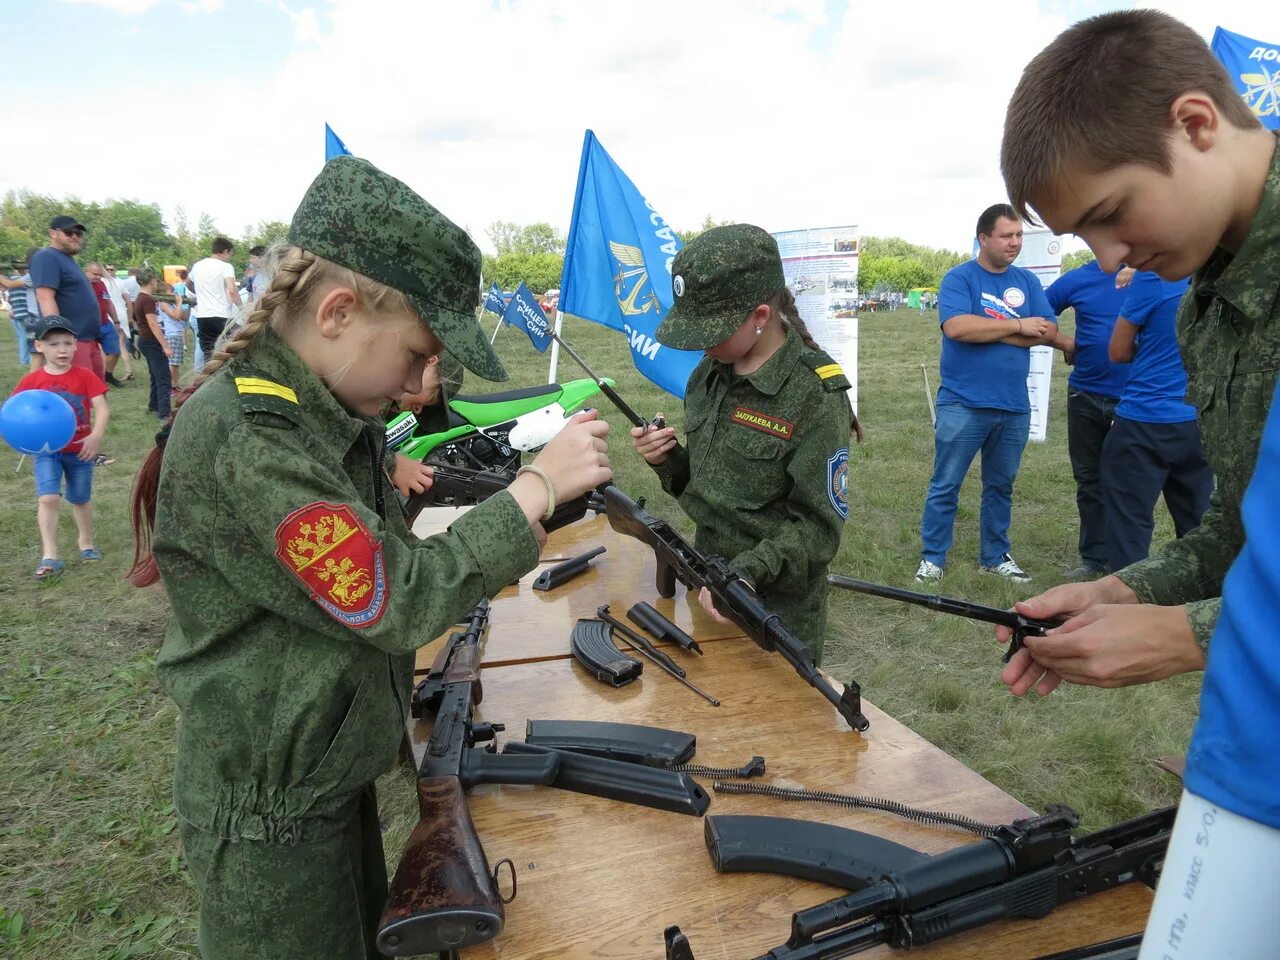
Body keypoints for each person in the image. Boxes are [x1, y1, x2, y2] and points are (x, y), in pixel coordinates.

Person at [123, 156, 611, 960]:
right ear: (339, 312)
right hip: (270, 811)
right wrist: (532, 490)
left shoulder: (318, 412)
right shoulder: (254, 437)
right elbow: (391, 597)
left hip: (318, 771)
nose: (426, 386)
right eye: (419, 354)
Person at [997, 8, 1279, 694]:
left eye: (1110, 213)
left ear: (1195, 124)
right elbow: (1243, 533)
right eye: (1081, 237)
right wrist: (1126, 592)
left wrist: (1192, 633)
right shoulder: (1205, 310)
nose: (1110, 256)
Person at [630, 223, 859, 664]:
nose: (699, 343)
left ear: (759, 317)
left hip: (774, 617)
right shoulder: (708, 375)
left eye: (710, 329)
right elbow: (711, 491)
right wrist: (669, 460)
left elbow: (817, 530)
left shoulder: (815, 394)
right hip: (708, 594)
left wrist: (748, 573)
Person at [915, 203, 1060, 584]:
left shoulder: (1027, 282)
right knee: (946, 483)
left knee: (1001, 485)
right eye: (1006, 235)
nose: (1015, 243)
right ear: (984, 237)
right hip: (964, 402)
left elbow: (1046, 330)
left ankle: (994, 555)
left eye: (1019, 236)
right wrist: (1018, 327)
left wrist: (1009, 328)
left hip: (1013, 405)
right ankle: (933, 557)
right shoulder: (959, 279)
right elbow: (958, 328)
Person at [1102, 270, 1213, 571]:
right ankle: (1197, 606)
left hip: (1144, 419)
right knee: (1200, 524)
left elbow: (1118, 350)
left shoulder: (1155, 277)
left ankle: (1127, 609)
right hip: (1199, 418)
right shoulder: (1229, 274)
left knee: (1129, 525)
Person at [1044, 260, 1132, 579]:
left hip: (1134, 396)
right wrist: (1065, 342)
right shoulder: (1080, 278)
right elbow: (1038, 311)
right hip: (1086, 394)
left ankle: (1128, 563)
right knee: (1089, 479)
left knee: (1130, 482)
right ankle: (1094, 560)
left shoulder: (1156, 271)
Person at [9, 316, 109, 579]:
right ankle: (50, 554)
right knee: (48, 497)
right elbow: (15, 413)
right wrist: (24, 438)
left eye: (67, 343)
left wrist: (95, 435)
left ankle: (86, 544)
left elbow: (101, 407)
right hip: (46, 451)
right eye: (54, 344)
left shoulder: (84, 376)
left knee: (80, 499)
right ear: (40, 346)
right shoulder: (32, 381)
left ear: (76, 345)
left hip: (80, 450)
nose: (62, 349)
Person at [29, 214, 104, 380]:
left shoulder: (69, 260)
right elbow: (45, 297)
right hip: (72, 341)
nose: (75, 237)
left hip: (88, 340)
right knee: (74, 399)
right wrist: (59, 339)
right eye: (69, 232)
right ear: (53, 233)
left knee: (93, 396)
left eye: (79, 233)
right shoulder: (46, 257)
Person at [187, 236, 242, 361]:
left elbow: (189, 283)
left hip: (203, 317)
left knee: (208, 353)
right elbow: (232, 291)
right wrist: (242, 308)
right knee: (233, 347)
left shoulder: (197, 266)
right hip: (222, 315)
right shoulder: (226, 267)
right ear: (225, 251)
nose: (230, 258)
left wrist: (200, 295)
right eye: (230, 254)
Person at [130, 269, 173, 419]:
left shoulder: (140, 298)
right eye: (156, 280)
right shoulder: (147, 300)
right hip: (150, 341)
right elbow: (153, 324)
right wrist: (165, 345)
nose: (157, 283)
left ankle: (154, 405)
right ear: (151, 281)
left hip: (144, 340)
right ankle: (164, 413)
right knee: (164, 377)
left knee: (155, 376)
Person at [83, 261, 127, 387]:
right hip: (88, 325)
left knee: (115, 350)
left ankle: (108, 375)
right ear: (86, 271)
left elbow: (108, 302)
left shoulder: (101, 284)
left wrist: (116, 321)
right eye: (95, 274)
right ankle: (91, 380)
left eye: (100, 275)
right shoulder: (81, 285)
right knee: (89, 355)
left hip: (105, 323)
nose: (98, 277)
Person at [2, 249, 40, 369]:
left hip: (32, 316)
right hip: (34, 315)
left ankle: (28, 364)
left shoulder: (32, 274)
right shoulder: (38, 273)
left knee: (32, 345)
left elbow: (9, 284)